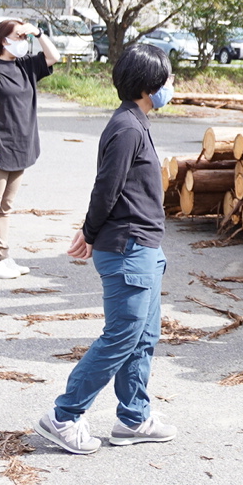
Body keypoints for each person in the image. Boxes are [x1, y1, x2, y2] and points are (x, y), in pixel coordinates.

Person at [37, 44, 177, 455]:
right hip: (127, 248)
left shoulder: (135, 121)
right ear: (150, 86)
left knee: (144, 337)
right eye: (167, 79)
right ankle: (64, 415)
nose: (171, 84)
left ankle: (133, 417)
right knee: (121, 337)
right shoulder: (128, 128)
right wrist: (90, 231)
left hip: (145, 246)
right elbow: (107, 188)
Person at [0, 19, 59, 279]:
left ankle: (2, 256)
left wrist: (38, 33)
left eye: (24, 37)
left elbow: (54, 56)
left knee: (5, 208)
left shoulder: (26, 66)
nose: (23, 41)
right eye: (18, 36)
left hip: (21, 148)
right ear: (3, 40)